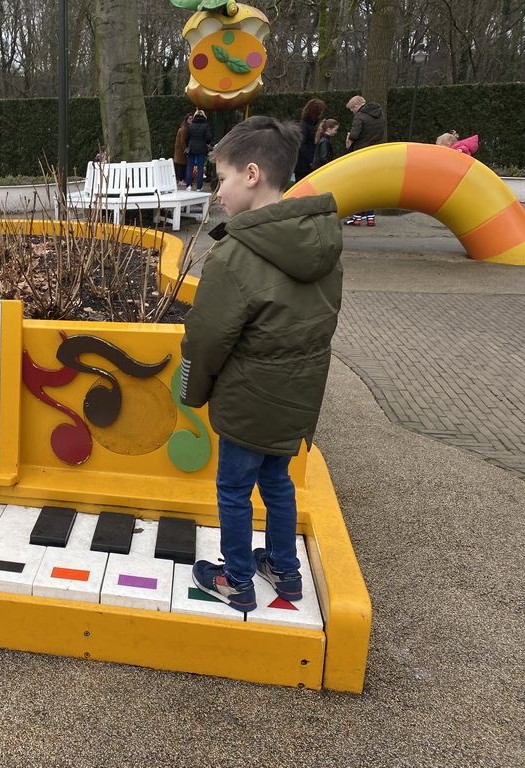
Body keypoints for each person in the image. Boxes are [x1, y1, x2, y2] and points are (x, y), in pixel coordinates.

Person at [179, 115, 343, 612]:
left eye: (222, 178)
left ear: (252, 175)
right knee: (278, 483)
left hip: (248, 400)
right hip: (297, 398)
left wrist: (194, 391)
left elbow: (206, 338)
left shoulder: (235, 256)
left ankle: (236, 578)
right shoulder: (325, 244)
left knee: (233, 489)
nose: (217, 192)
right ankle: (285, 570)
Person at [343, 95, 385, 226]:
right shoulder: (380, 113)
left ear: (356, 106)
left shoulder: (360, 116)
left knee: (358, 185)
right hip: (375, 152)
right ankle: (370, 217)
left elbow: (355, 135)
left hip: (361, 153)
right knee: (370, 185)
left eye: (352, 110)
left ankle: (356, 217)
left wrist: (349, 135)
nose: (353, 112)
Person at [294, 98, 326, 181]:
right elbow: (302, 145)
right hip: (304, 165)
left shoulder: (312, 125)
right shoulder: (304, 126)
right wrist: (312, 158)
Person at [183, 109, 213, 191]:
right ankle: (199, 187)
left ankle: (189, 185)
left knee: (190, 167)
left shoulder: (191, 126)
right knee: (200, 168)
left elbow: (186, 138)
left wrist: (189, 144)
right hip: (202, 148)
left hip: (191, 148)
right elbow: (208, 138)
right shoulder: (205, 126)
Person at [173, 113, 194, 187]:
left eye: (192, 118)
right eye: (190, 118)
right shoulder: (184, 128)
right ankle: (180, 180)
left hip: (182, 149)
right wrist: (185, 149)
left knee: (183, 165)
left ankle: (182, 179)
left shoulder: (187, 128)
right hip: (181, 150)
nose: (191, 120)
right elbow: (182, 141)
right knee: (182, 165)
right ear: (186, 119)